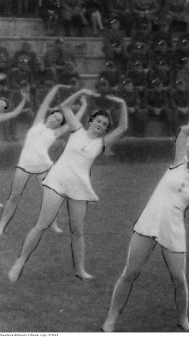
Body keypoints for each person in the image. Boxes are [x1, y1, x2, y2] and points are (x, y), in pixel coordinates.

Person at [102, 123, 189, 331]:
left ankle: (183, 319)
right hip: (148, 223)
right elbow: (184, 131)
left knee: (179, 279)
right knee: (130, 272)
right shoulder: (178, 163)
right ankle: (112, 317)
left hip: (173, 231)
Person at [8, 89, 128, 282]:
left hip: (79, 186)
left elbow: (122, 128)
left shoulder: (102, 143)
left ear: (105, 130)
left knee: (78, 230)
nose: (100, 125)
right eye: (98, 121)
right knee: (42, 224)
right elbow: (64, 107)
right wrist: (81, 91)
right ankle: (19, 263)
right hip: (57, 180)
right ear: (91, 121)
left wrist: (121, 103)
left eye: (104, 124)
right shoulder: (77, 129)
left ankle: (80, 269)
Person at [0, 86, 75, 236]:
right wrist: (56, 88)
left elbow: (72, 122)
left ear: (59, 124)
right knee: (14, 196)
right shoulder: (38, 122)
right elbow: (45, 103)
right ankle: (1, 226)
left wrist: (82, 106)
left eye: (58, 120)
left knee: (49, 198)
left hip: (44, 167)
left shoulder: (56, 132)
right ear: (49, 116)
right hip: (24, 165)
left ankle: (53, 225)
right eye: (54, 116)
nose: (54, 119)